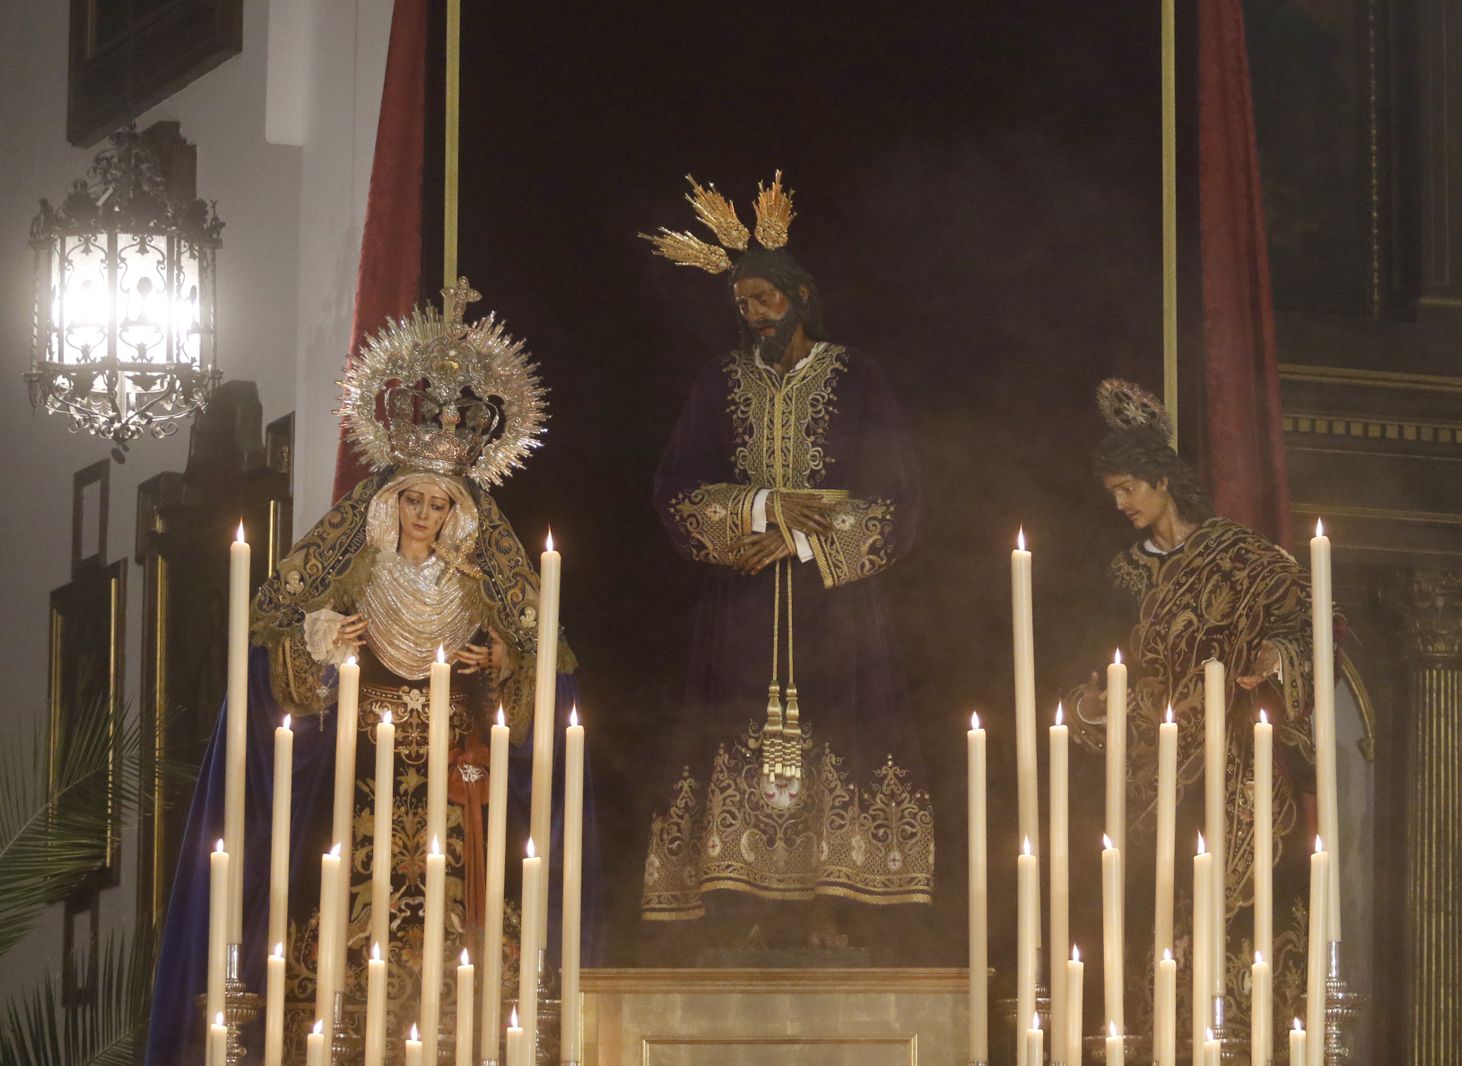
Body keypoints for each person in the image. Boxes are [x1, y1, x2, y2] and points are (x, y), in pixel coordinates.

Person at [147, 280, 587, 1062]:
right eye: (412, 500)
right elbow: (273, 660)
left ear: (459, 512)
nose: (424, 515)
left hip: (458, 782)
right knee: (333, 915)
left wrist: (508, 662)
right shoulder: (353, 572)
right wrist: (316, 645)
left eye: (438, 505)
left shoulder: (478, 585)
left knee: (473, 923)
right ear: (392, 503)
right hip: (356, 781)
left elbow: (547, 686)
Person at [637, 173, 931, 952]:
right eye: (743, 307)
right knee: (738, 729)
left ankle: (827, 899)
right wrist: (759, 512)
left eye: (766, 302)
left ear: (799, 298)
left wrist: (805, 538)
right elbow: (673, 487)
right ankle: (756, 900)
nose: (756, 317)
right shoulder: (718, 382)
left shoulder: (856, 376)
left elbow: (899, 496)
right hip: (742, 604)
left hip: (835, 603)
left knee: (832, 730)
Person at [1068, 378, 1327, 1048]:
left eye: (1128, 488)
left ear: (1161, 479)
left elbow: (1311, 630)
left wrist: (1274, 657)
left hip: (1243, 771)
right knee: (1160, 932)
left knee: (1247, 935)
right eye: (1113, 493)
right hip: (1158, 785)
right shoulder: (1123, 575)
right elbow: (1106, 673)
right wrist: (1093, 710)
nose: (1121, 504)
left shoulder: (1243, 556)